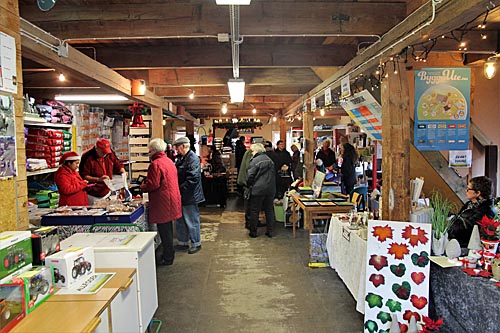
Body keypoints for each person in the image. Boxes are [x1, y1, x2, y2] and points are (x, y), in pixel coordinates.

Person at [141, 138, 182, 265]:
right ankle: (169, 254)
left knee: (165, 231)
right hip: (171, 199)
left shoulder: (155, 164)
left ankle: (168, 257)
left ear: (153, 150)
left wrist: (142, 186)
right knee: (168, 229)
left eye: (149, 151)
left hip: (162, 201)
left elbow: (153, 184)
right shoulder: (168, 161)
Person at [174, 136, 205, 254]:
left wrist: (180, 189)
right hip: (183, 194)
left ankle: (196, 243)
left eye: (177, 147)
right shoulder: (182, 158)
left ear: (183, 146)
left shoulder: (192, 159)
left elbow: (193, 178)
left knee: (191, 220)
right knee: (180, 219)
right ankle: (183, 242)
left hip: (190, 195)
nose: (176, 150)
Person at [449, 176, 495, 248]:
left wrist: (449, 222)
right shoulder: (470, 204)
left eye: (468, 189)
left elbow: (464, 229)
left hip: (468, 247)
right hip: (458, 242)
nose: (466, 191)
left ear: (478, 193)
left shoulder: (485, 211)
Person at [79, 138, 125, 202]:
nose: (105, 154)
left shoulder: (109, 153)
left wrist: (122, 170)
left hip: (107, 190)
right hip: (93, 193)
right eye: (103, 152)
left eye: (106, 152)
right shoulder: (87, 157)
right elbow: (84, 176)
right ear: (97, 149)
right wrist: (98, 179)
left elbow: (117, 163)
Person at [246, 143, 276, 238]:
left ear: (257, 151)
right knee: (269, 210)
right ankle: (270, 231)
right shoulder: (270, 160)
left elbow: (250, 176)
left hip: (258, 189)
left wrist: (248, 184)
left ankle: (253, 232)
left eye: (253, 151)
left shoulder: (255, 161)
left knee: (255, 210)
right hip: (270, 189)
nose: (252, 153)